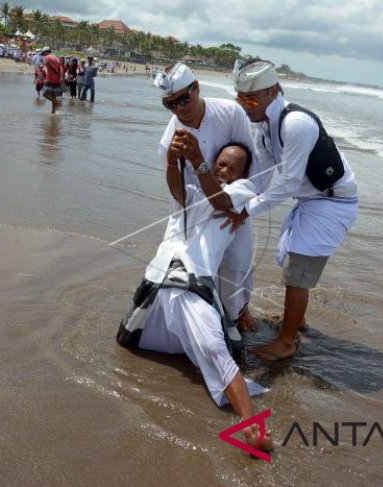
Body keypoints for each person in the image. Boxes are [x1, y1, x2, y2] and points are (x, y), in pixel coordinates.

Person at [117, 143, 272, 454]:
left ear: (242, 174)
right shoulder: (190, 190)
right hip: (158, 280)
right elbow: (177, 191)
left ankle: (250, 427)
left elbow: (221, 201)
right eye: (221, 163)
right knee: (129, 341)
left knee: (214, 348)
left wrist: (199, 161)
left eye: (231, 167)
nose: (223, 169)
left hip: (193, 281)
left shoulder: (243, 191)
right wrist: (173, 161)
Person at [217, 60, 359, 361]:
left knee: (298, 272)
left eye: (252, 99)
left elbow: (289, 180)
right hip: (311, 200)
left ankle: (286, 341)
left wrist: (246, 211)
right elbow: (262, 175)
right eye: (240, 99)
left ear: (273, 92)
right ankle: (297, 321)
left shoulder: (296, 124)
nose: (245, 106)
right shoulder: (265, 128)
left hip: (333, 202)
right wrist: (236, 199)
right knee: (295, 264)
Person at [155, 62, 272, 332]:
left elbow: (249, 164)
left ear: (197, 87)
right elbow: (179, 195)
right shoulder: (168, 140)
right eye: (170, 104)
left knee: (238, 264)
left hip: (234, 201)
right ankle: (193, 319)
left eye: (184, 98)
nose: (179, 108)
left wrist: (245, 208)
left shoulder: (230, 113)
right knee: (187, 265)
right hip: (194, 208)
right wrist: (175, 161)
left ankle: (238, 312)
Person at [40, 46, 62, 114]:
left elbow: (53, 67)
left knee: (44, 94)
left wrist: (55, 72)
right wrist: (60, 77)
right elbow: (60, 67)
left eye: (43, 53)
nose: (43, 55)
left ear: (46, 52)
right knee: (53, 96)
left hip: (50, 78)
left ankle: (57, 103)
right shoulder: (55, 57)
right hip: (57, 79)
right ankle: (53, 112)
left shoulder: (47, 57)